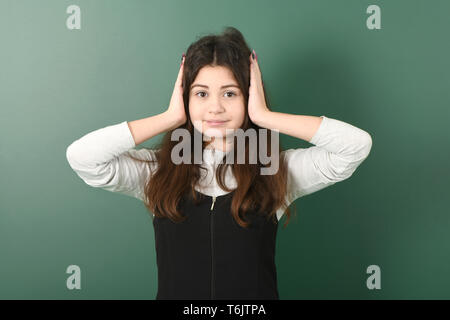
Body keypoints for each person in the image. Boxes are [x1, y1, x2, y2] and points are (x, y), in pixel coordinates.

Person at [66, 27, 372, 300]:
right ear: (185, 98)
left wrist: (265, 117)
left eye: (230, 93)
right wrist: (168, 118)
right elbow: (83, 158)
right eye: (201, 93)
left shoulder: (274, 170)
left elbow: (355, 147)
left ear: (250, 97)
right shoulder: (157, 171)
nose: (215, 107)